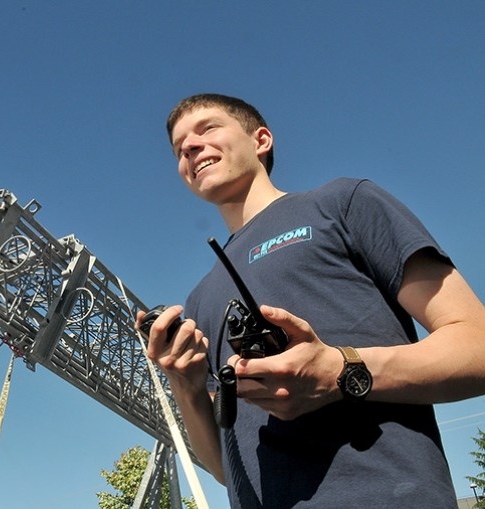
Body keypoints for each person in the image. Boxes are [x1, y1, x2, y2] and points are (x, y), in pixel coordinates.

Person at [137, 93, 485, 508]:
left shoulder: (341, 203)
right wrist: (185, 385)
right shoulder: (200, 297)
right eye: (179, 149)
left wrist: (341, 371)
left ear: (261, 139)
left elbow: (476, 344)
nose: (190, 148)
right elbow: (222, 468)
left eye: (207, 129)